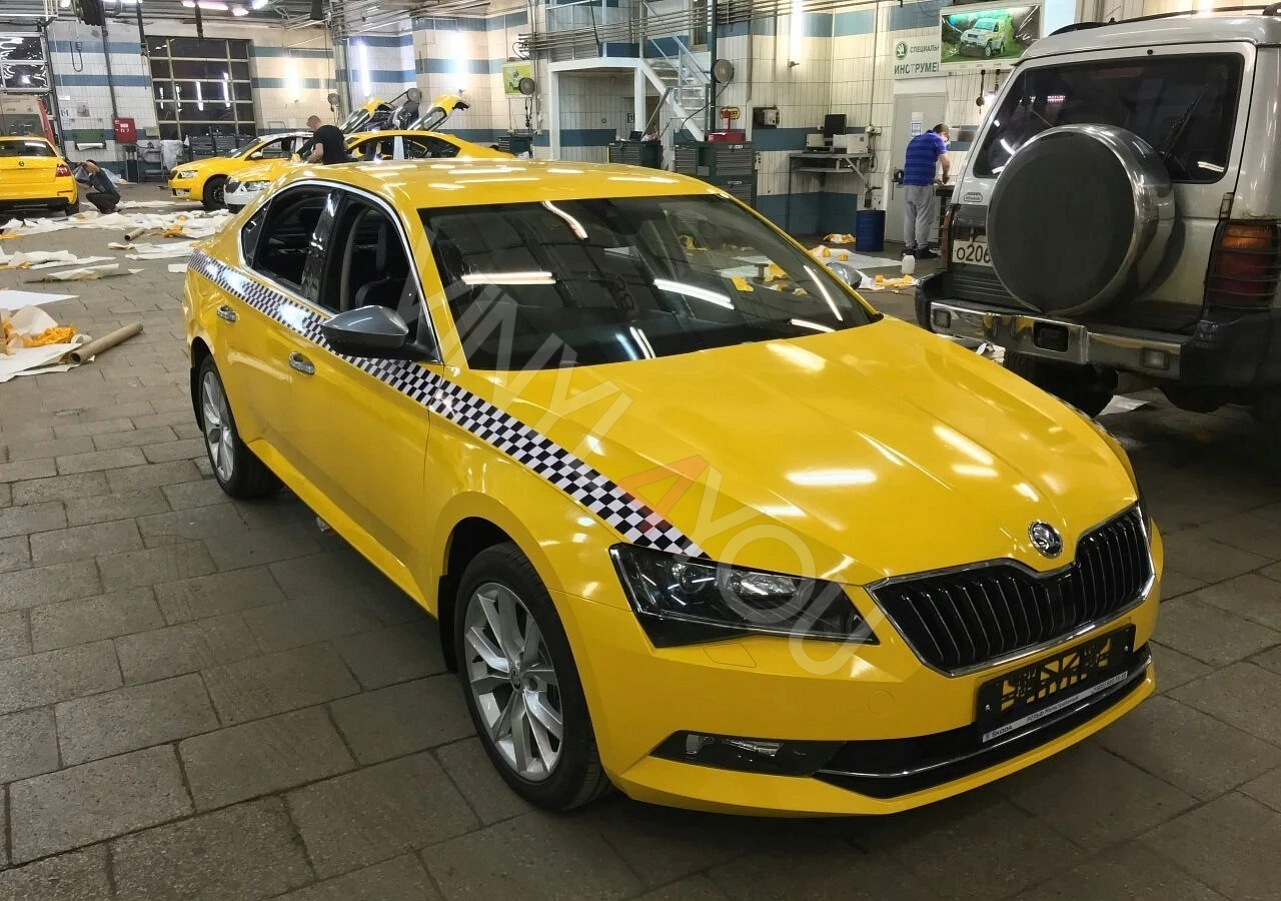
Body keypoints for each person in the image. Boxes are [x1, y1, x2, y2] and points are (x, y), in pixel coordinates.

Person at [902, 123, 950, 259]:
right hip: (922, 185)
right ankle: (922, 249)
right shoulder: (937, 139)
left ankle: (909, 248)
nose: (945, 142)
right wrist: (945, 176)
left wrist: (933, 179)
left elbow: (916, 164)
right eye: (946, 140)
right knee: (923, 217)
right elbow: (946, 163)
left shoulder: (915, 140)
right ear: (943, 134)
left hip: (908, 182)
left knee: (910, 217)